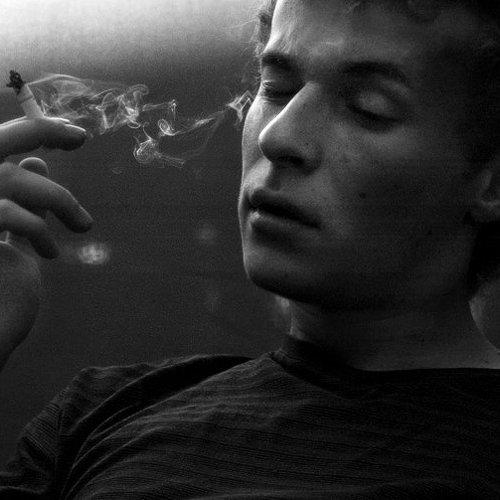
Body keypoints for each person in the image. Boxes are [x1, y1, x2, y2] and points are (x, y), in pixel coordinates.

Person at [0, 0, 499, 498]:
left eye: (367, 107)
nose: (278, 136)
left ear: (492, 182)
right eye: (276, 88)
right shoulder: (101, 416)